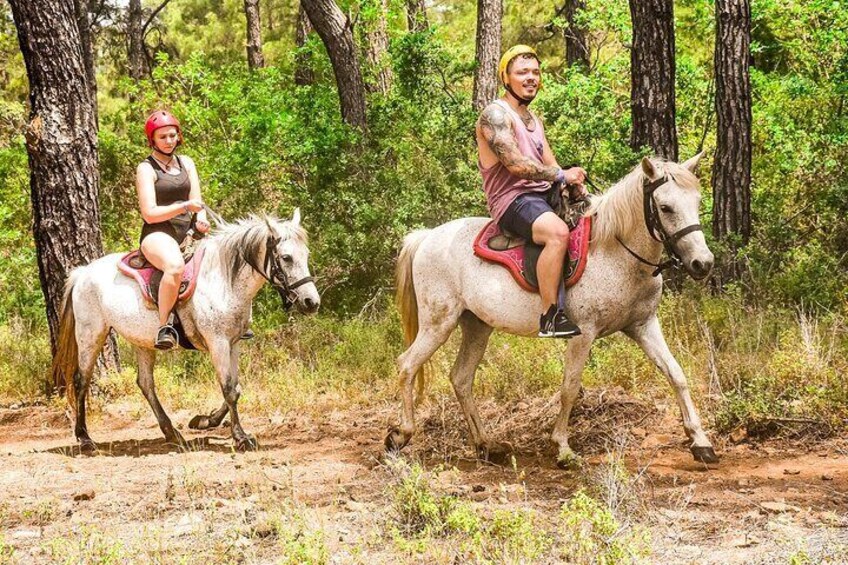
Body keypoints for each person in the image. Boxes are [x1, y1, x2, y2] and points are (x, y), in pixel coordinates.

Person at [476, 45, 587, 338]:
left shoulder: (534, 119)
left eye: (535, 72)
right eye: (522, 72)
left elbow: (550, 163)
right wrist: (562, 174)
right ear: (506, 78)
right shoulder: (495, 115)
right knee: (557, 233)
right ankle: (550, 316)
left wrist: (572, 184)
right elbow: (516, 165)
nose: (531, 78)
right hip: (513, 200)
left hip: (541, 196)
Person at [136, 110, 209, 350]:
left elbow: (197, 201)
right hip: (157, 233)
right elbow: (149, 212)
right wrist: (184, 207)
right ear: (152, 140)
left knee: (229, 256)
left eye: (172, 135)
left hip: (187, 232)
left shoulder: (186, 162)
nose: (169, 141)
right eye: (163, 137)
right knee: (175, 265)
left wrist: (201, 218)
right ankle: (164, 325)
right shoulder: (146, 169)